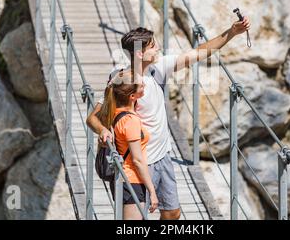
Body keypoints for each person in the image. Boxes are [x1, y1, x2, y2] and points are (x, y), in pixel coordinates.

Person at [88, 17, 251, 220]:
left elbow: (200, 52)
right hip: (137, 162)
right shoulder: (120, 80)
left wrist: (232, 31)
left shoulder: (159, 67)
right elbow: (94, 117)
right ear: (140, 53)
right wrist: (103, 130)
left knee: (172, 213)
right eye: (153, 46)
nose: (158, 48)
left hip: (163, 156)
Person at [96, 69, 159, 219]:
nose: (144, 85)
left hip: (123, 179)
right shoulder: (131, 121)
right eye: (141, 86)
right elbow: (137, 160)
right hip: (132, 180)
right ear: (132, 96)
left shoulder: (116, 113)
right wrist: (152, 190)